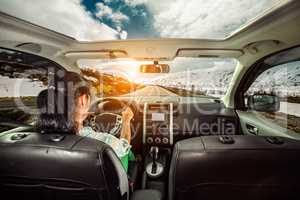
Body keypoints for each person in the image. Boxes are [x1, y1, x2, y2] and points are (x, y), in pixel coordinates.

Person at [36, 71, 134, 171]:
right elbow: (124, 146)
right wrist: (126, 120)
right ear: (83, 99)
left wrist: (82, 117)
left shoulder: (32, 141)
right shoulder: (103, 144)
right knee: (127, 156)